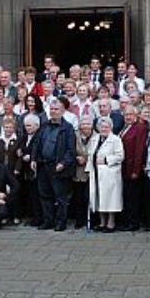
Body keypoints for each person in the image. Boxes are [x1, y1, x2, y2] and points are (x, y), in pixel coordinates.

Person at [33, 98, 76, 231]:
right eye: (51, 109)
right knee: (45, 195)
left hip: (58, 167)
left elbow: (71, 150)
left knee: (60, 197)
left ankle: (60, 222)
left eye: (56, 109)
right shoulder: (44, 126)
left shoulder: (67, 128)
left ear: (63, 111)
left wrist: (63, 163)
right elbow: (36, 143)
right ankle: (48, 221)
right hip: (43, 166)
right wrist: (34, 159)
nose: (53, 111)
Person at [86, 117, 125, 232]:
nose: (104, 129)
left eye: (106, 127)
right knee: (99, 198)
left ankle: (111, 223)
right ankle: (102, 222)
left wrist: (107, 159)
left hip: (110, 174)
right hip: (97, 174)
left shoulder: (116, 140)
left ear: (111, 127)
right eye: (102, 127)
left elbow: (120, 156)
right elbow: (90, 154)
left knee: (110, 199)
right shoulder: (95, 139)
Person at [118, 105, 147, 231]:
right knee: (127, 196)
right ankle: (128, 220)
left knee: (133, 197)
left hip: (132, 169)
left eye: (130, 114)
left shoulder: (140, 128)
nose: (128, 117)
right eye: (126, 115)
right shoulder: (125, 127)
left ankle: (133, 222)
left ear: (136, 115)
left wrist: (136, 170)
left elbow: (139, 150)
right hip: (124, 168)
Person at [18, 114, 42, 226]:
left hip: (36, 170)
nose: (27, 128)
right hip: (25, 170)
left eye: (29, 126)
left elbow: (40, 151)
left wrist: (32, 157)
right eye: (26, 126)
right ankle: (31, 216)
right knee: (29, 194)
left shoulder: (40, 137)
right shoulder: (24, 137)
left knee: (36, 195)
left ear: (37, 126)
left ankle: (38, 217)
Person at [72, 117, 93, 229]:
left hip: (91, 172)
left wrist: (86, 159)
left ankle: (91, 220)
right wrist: (76, 158)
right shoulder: (75, 136)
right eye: (83, 124)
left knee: (89, 197)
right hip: (78, 171)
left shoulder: (96, 136)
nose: (85, 126)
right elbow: (70, 149)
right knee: (79, 197)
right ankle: (79, 220)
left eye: (88, 124)